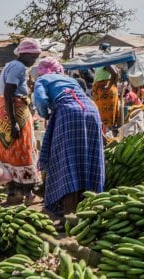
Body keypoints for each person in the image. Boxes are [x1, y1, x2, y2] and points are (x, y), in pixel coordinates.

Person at [33, 57, 104, 216]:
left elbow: (41, 100)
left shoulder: (43, 79)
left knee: (67, 161)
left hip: (68, 112)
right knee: (87, 159)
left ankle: (69, 214)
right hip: (92, 111)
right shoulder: (69, 79)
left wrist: (45, 114)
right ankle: (89, 210)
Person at [0, 37, 42, 204]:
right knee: (24, 150)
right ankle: (28, 193)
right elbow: (9, 92)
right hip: (15, 111)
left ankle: (14, 192)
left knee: (10, 152)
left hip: (5, 112)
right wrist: (14, 121)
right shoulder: (19, 68)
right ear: (25, 54)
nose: (35, 59)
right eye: (34, 56)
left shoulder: (10, 65)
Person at [92, 44, 120, 133]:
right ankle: (105, 136)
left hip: (105, 92)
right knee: (101, 115)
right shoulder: (102, 61)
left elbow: (115, 73)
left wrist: (108, 86)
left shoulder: (106, 61)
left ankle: (106, 136)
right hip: (102, 90)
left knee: (105, 116)